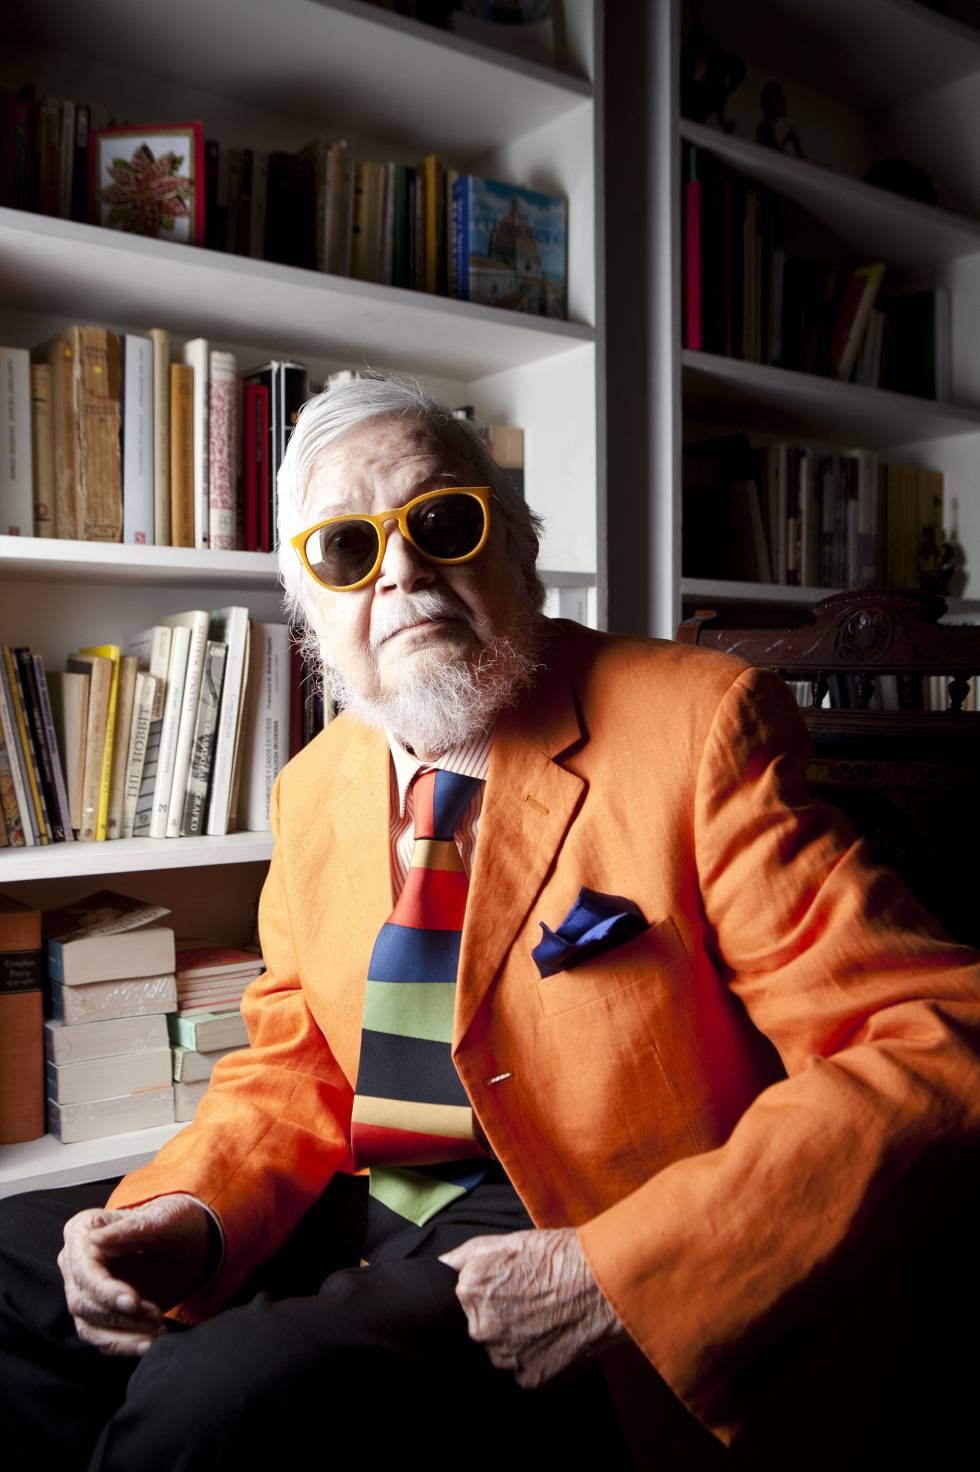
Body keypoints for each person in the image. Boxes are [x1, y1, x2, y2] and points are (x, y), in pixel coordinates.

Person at [3, 376, 980, 1470]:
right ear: (309, 610)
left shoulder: (697, 720)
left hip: (565, 1218)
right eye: (347, 549)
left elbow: (933, 1036)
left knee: (216, 1393)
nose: (402, 571)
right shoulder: (313, 786)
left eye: (442, 522)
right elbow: (295, 1063)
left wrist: (622, 1271)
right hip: (364, 1192)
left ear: (519, 544)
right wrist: (191, 1212)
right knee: (16, 1270)